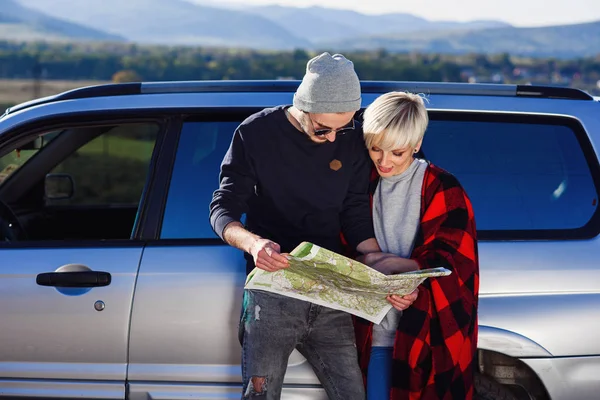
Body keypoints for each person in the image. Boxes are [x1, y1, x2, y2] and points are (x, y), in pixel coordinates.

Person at [210, 53, 417, 400]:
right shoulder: (255, 133)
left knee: (352, 394)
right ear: (302, 107)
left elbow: (353, 211)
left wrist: (381, 272)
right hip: (272, 293)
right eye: (323, 129)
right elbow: (223, 207)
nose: (335, 138)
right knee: (260, 395)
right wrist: (253, 244)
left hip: (330, 291)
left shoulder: (349, 139)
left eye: (344, 127)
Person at [355, 91, 480, 399]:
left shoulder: (441, 186)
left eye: (397, 153)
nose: (384, 161)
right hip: (374, 336)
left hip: (424, 337)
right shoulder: (359, 183)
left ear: (416, 145)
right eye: (375, 149)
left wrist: (412, 281)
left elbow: (455, 265)